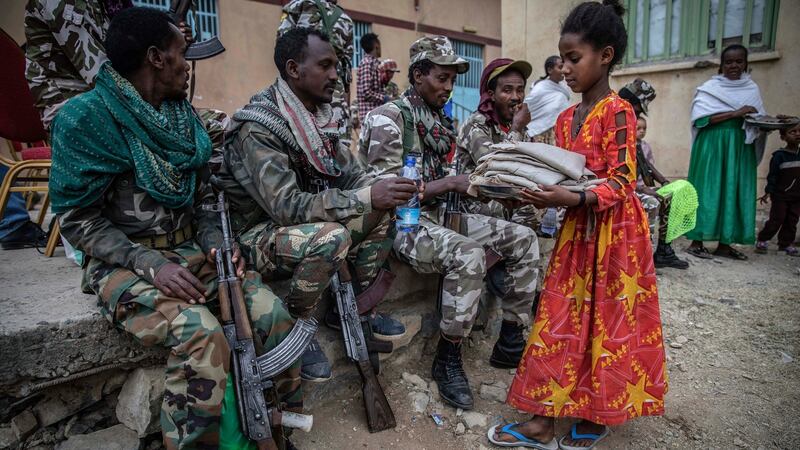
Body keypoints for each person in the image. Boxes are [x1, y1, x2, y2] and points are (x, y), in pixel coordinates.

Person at [48, 8, 299, 449]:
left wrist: (219, 245)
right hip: (121, 261)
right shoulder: (86, 120)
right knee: (201, 336)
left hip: (190, 252)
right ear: (156, 58)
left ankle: (272, 429)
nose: (189, 63)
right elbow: (77, 221)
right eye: (182, 53)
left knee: (273, 316)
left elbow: (203, 202)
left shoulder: (183, 119)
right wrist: (147, 263)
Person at [490, 2, 667, 449]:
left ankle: (596, 411)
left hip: (615, 237)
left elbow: (624, 178)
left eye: (574, 59)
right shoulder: (567, 118)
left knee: (607, 324)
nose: (564, 69)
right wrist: (529, 172)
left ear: (605, 56)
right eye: (562, 59)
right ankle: (541, 419)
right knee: (559, 317)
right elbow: (561, 167)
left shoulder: (619, 111)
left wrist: (574, 197)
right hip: (576, 234)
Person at [213, 28, 415, 383]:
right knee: (332, 236)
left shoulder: (321, 118)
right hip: (255, 236)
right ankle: (297, 325)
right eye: (325, 65)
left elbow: (352, 176)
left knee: (385, 206)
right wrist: (365, 196)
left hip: (301, 225)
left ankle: (353, 306)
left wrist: (384, 188)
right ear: (294, 69)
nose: (336, 75)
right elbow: (286, 207)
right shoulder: (259, 127)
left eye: (336, 65)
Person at [359, 35, 539, 410]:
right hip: (401, 224)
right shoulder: (389, 118)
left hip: (440, 214)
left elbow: (451, 178)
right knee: (469, 255)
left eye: (453, 80)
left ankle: (510, 338)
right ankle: (448, 357)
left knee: (523, 238)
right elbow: (385, 193)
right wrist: (451, 183)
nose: (449, 88)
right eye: (442, 78)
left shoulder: (438, 119)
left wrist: (482, 189)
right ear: (419, 74)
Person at [686, 44, 766, 261]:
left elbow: (758, 117)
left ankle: (725, 243)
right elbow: (702, 119)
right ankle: (696, 241)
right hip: (712, 145)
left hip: (740, 146)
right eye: (729, 62)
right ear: (721, 65)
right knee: (707, 190)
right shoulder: (709, 88)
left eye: (739, 61)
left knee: (733, 189)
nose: (734, 65)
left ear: (746, 63)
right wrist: (736, 113)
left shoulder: (752, 88)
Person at [278, 0, 354, 148]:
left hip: (299, 85)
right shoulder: (345, 18)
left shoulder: (299, 5)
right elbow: (346, 64)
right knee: (338, 144)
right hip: (334, 92)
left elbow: (282, 44)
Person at [635, 116, 690, 269]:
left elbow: (649, 167)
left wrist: (665, 182)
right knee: (652, 202)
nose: (641, 131)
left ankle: (664, 251)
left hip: (640, 187)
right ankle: (643, 256)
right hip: (628, 189)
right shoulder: (622, 142)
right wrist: (642, 189)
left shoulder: (640, 146)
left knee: (671, 197)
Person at [756, 123, 800, 256]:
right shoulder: (779, 156)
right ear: (783, 137)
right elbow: (773, 176)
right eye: (793, 132)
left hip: (797, 196)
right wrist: (768, 191)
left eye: (799, 131)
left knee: (792, 221)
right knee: (777, 218)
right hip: (781, 195)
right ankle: (763, 239)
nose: (797, 134)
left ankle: (785, 244)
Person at [524, 55, 571, 145]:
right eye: (560, 67)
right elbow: (527, 105)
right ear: (550, 70)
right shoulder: (540, 88)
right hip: (540, 132)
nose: (564, 70)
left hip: (558, 132)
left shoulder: (564, 87)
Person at [356, 32, 385, 122]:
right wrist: (385, 98)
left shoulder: (376, 64)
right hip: (370, 117)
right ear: (376, 45)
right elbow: (366, 92)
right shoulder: (367, 63)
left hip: (377, 115)